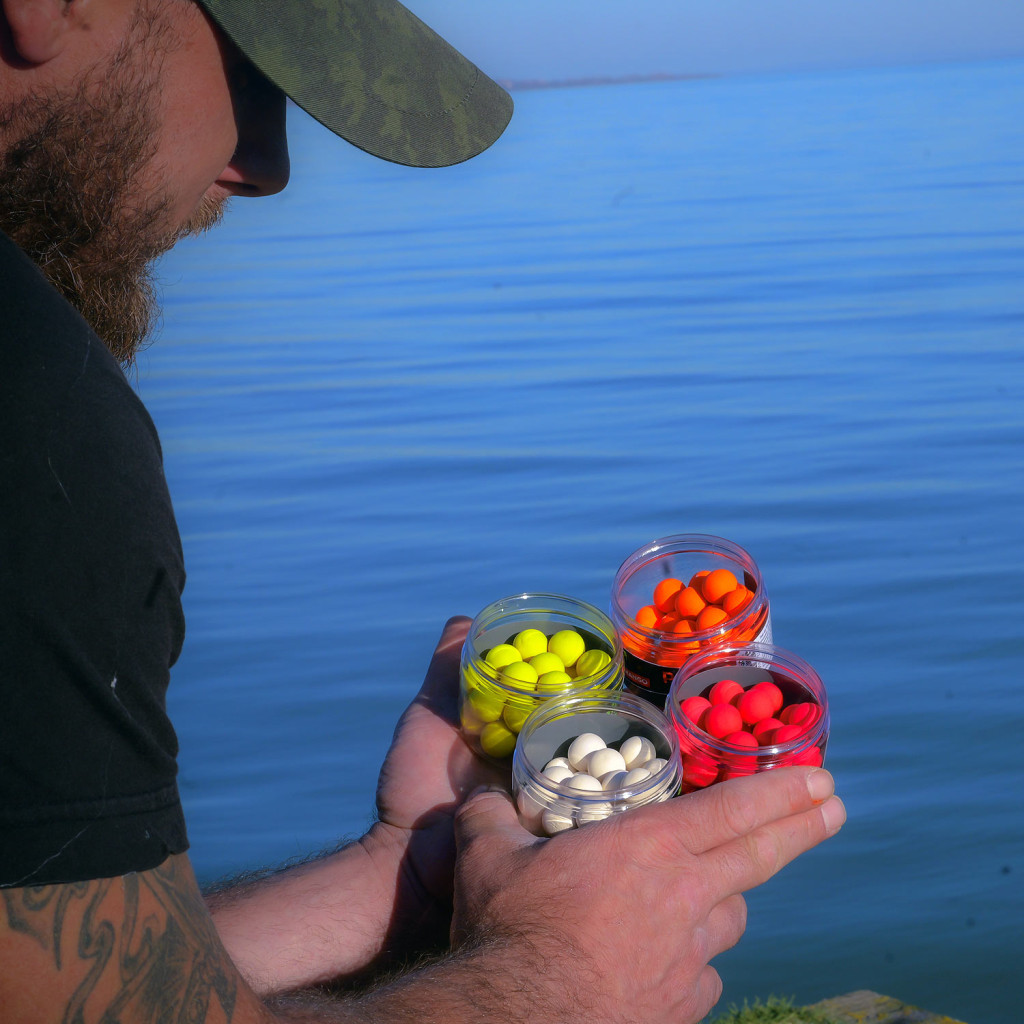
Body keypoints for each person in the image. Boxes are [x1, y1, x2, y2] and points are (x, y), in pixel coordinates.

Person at [0, 1, 847, 1021]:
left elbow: (72, 983)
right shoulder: (32, 417)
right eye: (258, 74)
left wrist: (400, 876)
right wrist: (560, 983)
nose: (265, 169)